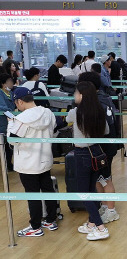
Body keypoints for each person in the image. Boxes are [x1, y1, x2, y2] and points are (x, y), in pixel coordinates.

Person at [8, 87, 57, 237]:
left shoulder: (21, 119)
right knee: (48, 190)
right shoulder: (47, 112)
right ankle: (50, 220)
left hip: (28, 163)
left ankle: (35, 226)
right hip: (45, 158)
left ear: (20, 101)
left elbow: (12, 141)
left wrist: (11, 123)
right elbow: (54, 129)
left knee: (32, 194)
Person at [66, 81, 110, 241]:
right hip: (97, 152)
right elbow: (106, 130)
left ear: (81, 95)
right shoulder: (99, 111)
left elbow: (66, 119)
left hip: (82, 153)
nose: (74, 95)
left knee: (83, 192)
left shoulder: (75, 112)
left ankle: (100, 227)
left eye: (76, 93)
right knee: (91, 189)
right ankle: (92, 223)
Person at [78, 72, 120, 224]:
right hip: (104, 147)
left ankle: (111, 210)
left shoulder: (97, 103)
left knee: (106, 179)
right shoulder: (106, 98)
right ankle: (104, 205)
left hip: (102, 148)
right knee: (99, 179)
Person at [0, 74, 15, 171]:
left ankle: (8, 164)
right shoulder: (0, 94)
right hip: (2, 123)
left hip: (9, 123)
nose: (12, 83)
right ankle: (7, 165)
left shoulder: (10, 94)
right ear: (3, 83)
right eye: (9, 81)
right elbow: (3, 108)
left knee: (8, 145)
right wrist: (13, 116)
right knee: (5, 146)